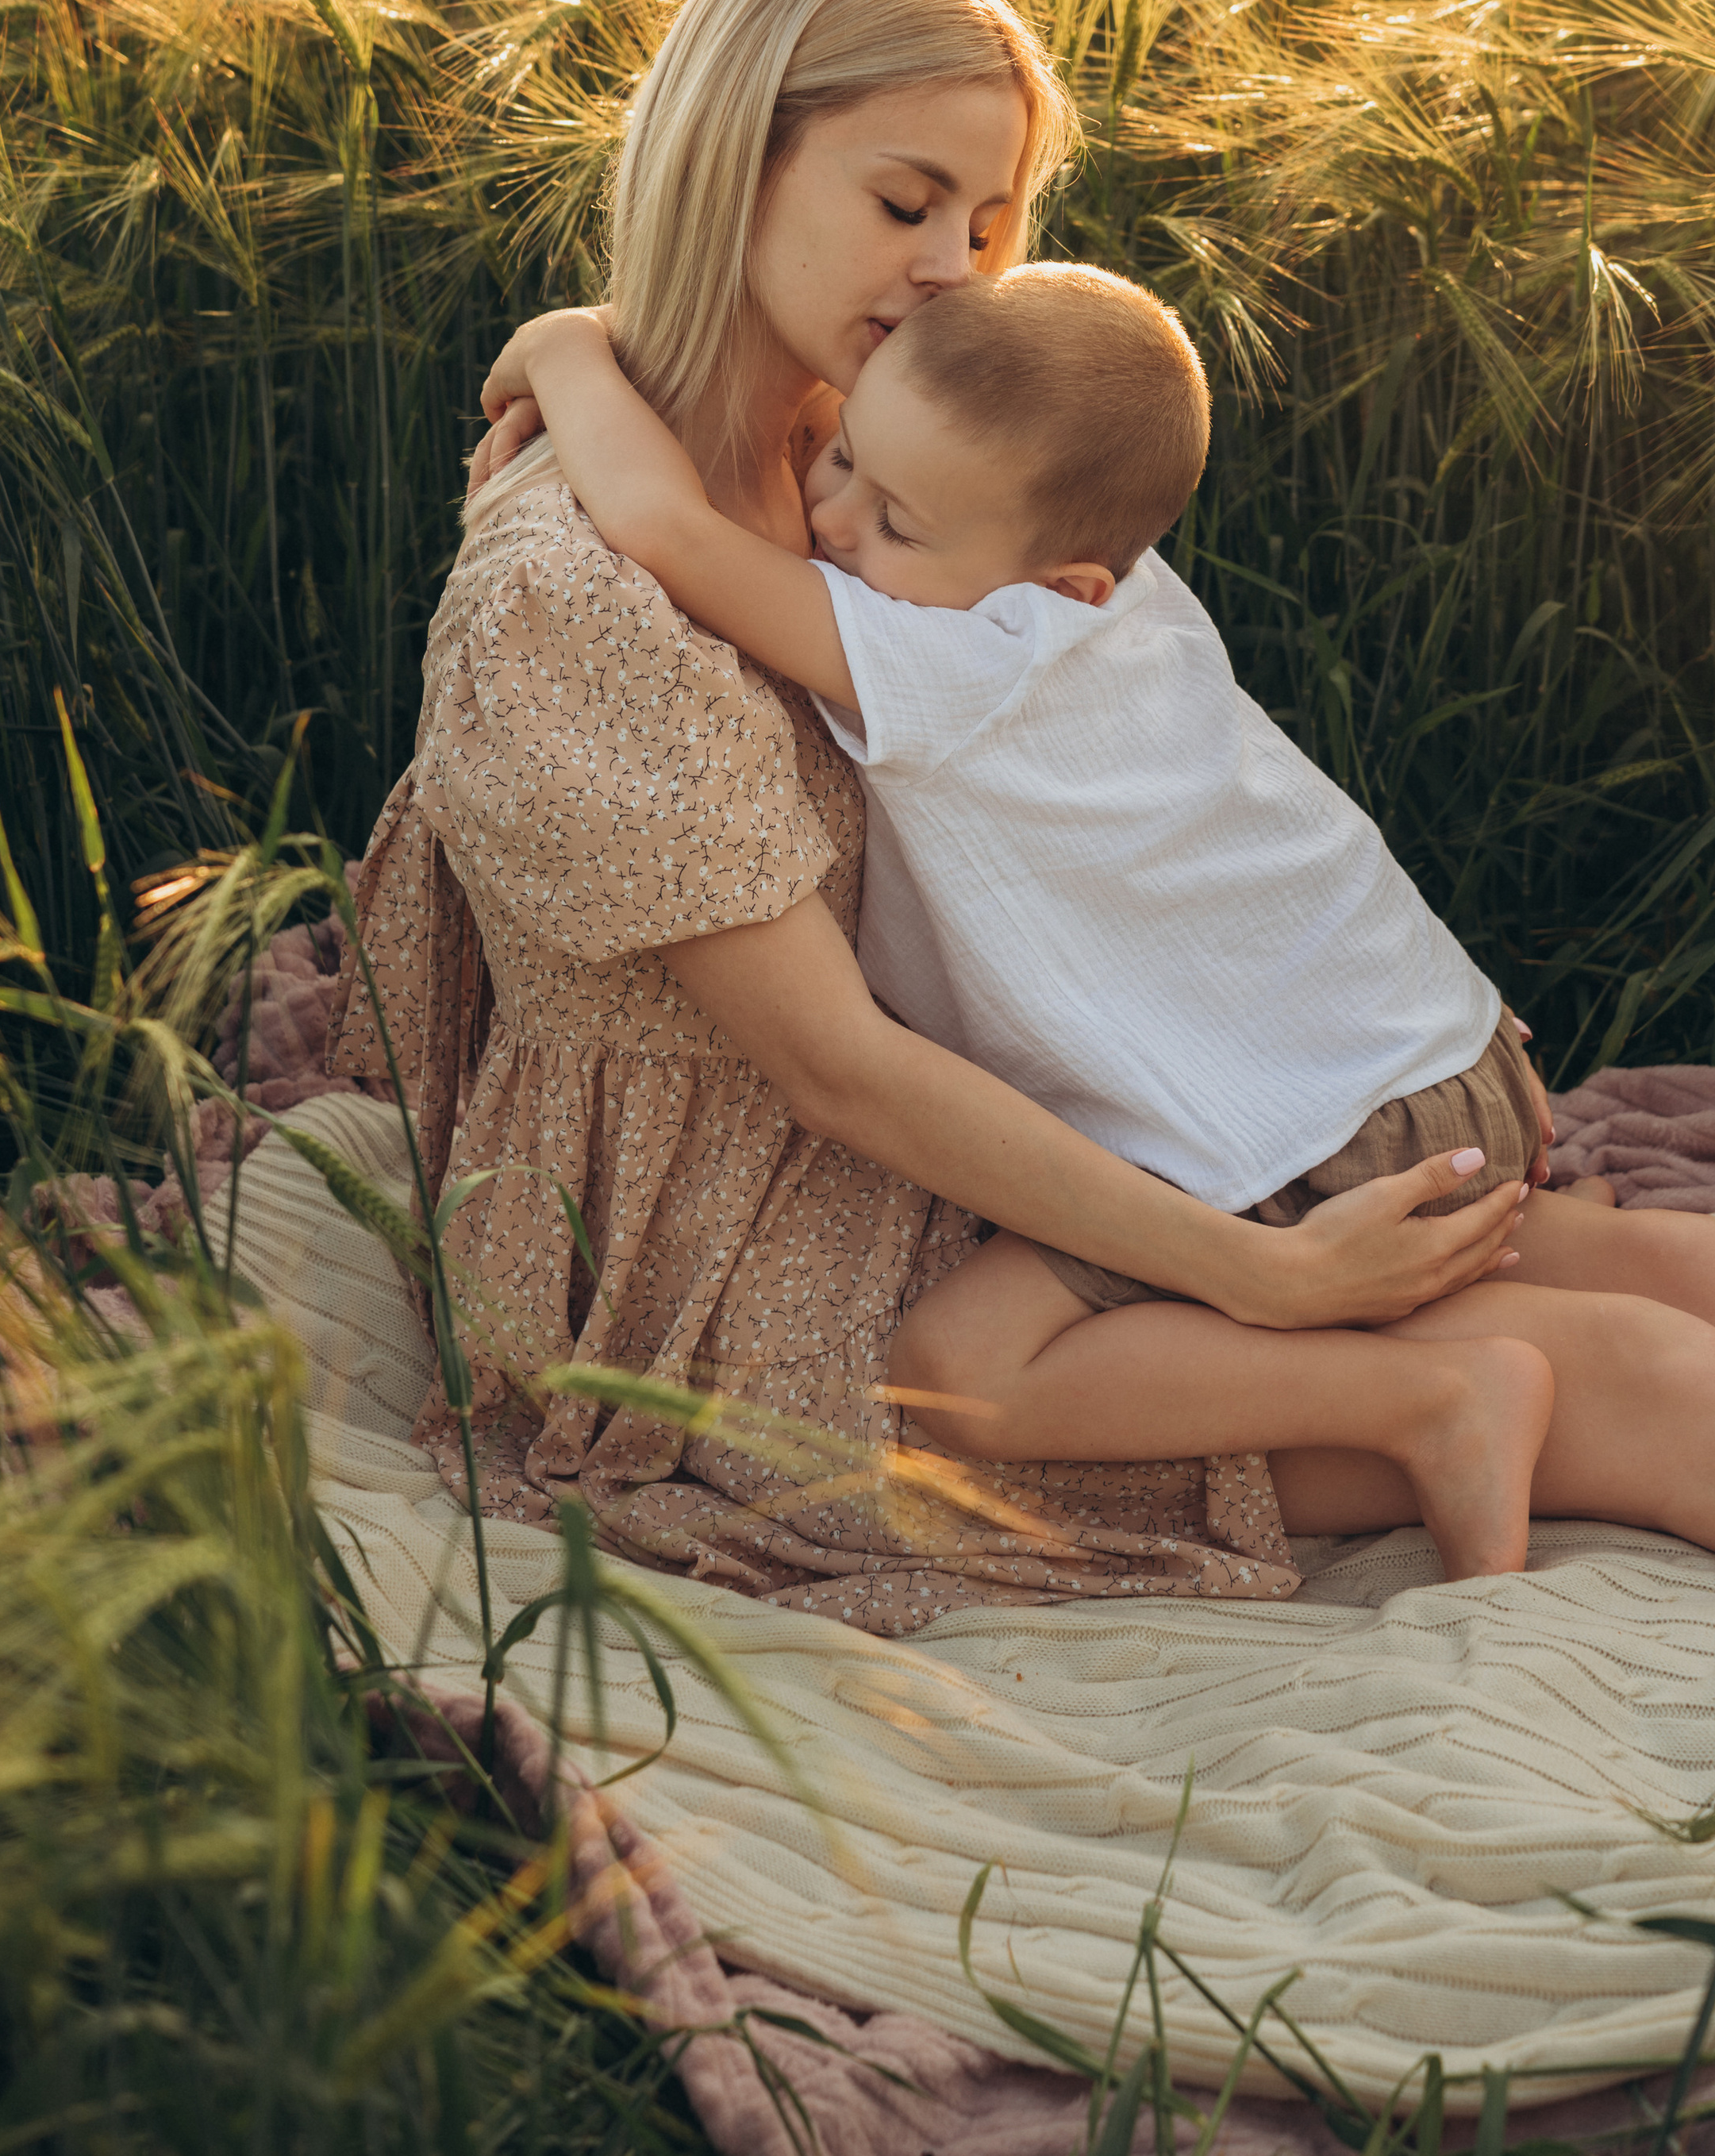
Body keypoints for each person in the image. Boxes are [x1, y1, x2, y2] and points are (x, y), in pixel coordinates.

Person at [337, 0, 1715, 1634]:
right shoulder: (578, 594)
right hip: (774, 1290)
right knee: (1613, 1368)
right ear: (723, 163)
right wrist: (1259, 1272)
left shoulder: (909, 448)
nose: (946, 271)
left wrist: (563, 342)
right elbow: (836, 1072)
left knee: (1644, 1262)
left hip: (1050, 1143)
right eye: (900, 204)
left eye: (982, 223)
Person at [471, 259, 1575, 1579]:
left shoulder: (972, 655)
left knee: (955, 1373)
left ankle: (1439, 1408)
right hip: (1430, 1050)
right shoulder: (1096, 583)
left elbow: (668, 530)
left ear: (1061, 590)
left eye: (894, 523)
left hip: (1323, 1120)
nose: (832, 521)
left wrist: (565, 346)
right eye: (841, 462)